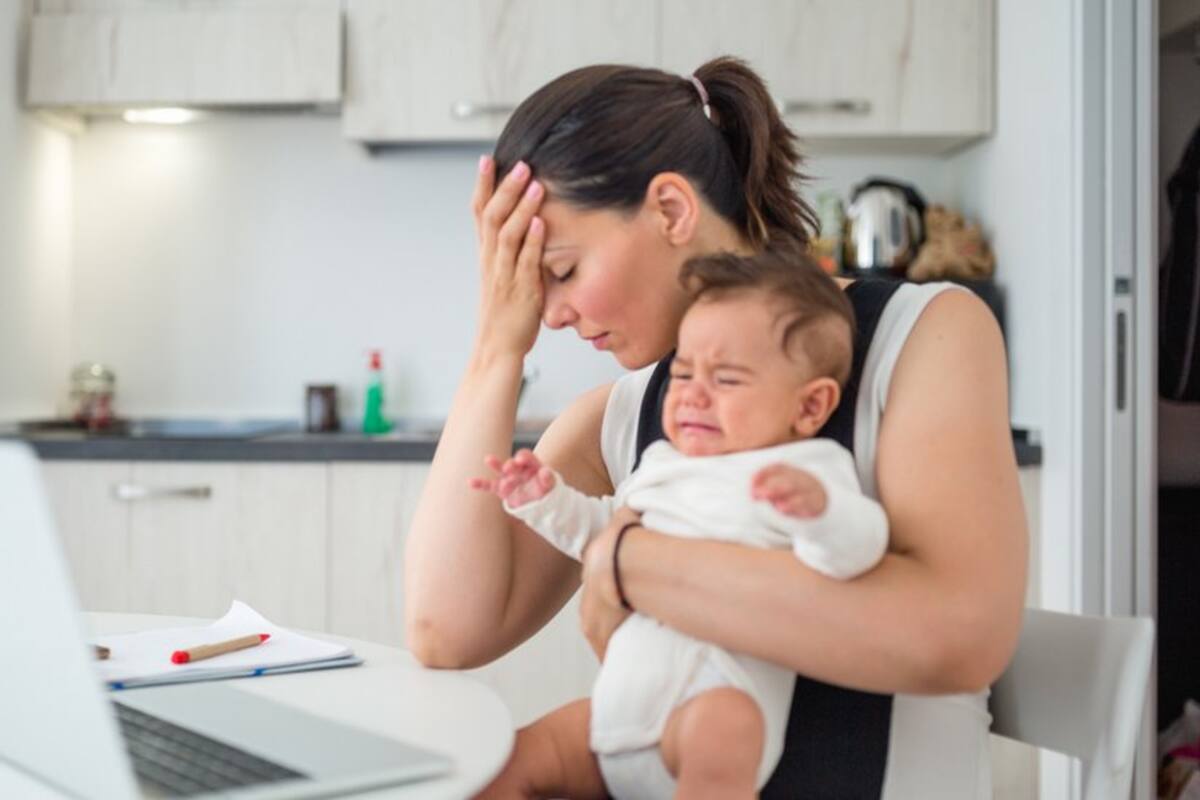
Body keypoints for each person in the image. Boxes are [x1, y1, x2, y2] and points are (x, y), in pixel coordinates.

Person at [404, 56, 1027, 799]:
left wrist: (625, 562)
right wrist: (495, 346)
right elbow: (448, 630)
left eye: (562, 272)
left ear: (671, 209)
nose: (552, 313)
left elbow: (956, 637)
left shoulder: (923, 334)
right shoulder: (623, 413)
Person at [471, 251, 890, 798]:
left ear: (810, 407)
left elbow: (859, 548)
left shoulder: (806, 473)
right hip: (617, 712)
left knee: (727, 731)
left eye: (727, 378)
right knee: (513, 758)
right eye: (684, 371)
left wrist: (820, 513)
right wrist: (543, 500)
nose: (692, 392)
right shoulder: (664, 463)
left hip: (710, 706)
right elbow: (606, 537)